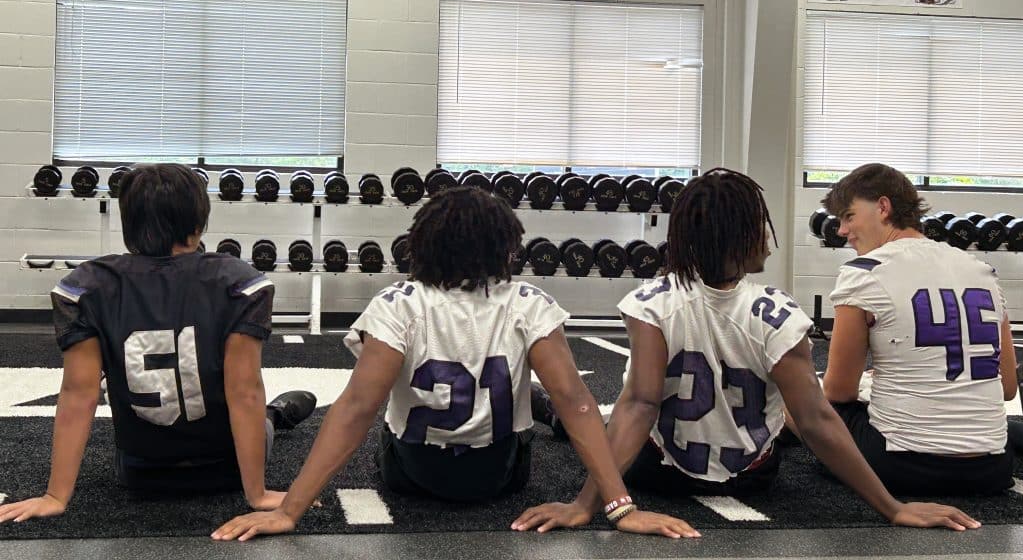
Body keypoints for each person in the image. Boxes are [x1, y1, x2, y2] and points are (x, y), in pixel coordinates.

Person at [213, 187, 696, 541]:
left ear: (424, 244)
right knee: (553, 396)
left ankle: (531, 400)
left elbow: (357, 408)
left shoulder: (397, 304)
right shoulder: (528, 302)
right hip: (501, 473)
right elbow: (580, 404)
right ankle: (535, 404)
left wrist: (290, 511)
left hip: (414, 474)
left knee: (383, 402)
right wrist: (618, 506)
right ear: (504, 247)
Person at [513, 168, 980, 534]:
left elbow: (641, 405)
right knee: (799, 415)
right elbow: (817, 420)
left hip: (658, 475)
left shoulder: (648, 303)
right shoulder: (778, 313)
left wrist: (589, 504)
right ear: (735, 237)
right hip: (754, 475)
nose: (768, 240)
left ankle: (551, 412)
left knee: (614, 418)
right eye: (759, 227)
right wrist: (892, 508)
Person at [0, 164, 315, 524]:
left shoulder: (88, 286)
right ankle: (275, 414)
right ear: (196, 227)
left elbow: (78, 394)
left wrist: (55, 496)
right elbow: (243, 392)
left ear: (129, 225)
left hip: (140, 473)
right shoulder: (238, 281)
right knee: (256, 411)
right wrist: (256, 494)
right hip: (224, 469)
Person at [820, 163, 1017, 495]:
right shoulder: (983, 271)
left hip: (900, 466)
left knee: (798, 401)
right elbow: (1008, 387)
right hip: (992, 467)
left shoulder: (862, 272)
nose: (841, 230)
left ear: (883, 207)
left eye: (849, 216)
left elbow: (838, 393)